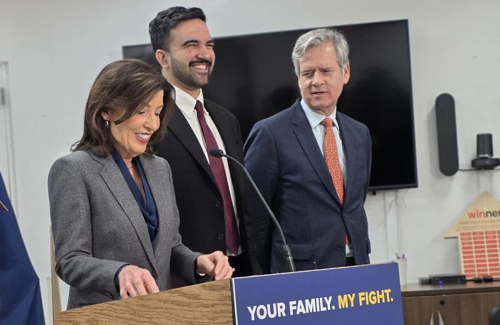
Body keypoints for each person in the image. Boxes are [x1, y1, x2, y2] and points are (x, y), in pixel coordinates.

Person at [48, 59, 232, 309]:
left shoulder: (159, 168)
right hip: (105, 315)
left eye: (157, 112)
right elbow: (69, 260)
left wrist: (198, 262)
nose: (152, 124)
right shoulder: (73, 170)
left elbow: (170, 246)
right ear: (106, 110)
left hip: (158, 313)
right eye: (141, 111)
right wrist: (119, 273)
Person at [244, 28, 372, 274]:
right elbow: (255, 220)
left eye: (326, 71)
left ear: (345, 73)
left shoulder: (359, 133)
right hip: (299, 275)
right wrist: (260, 280)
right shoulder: (270, 134)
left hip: (356, 268)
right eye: (308, 73)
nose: (316, 81)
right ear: (298, 77)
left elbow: (353, 204)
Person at [148, 7, 258, 277]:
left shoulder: (226, 119)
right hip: (186, 277)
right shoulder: (151, 121)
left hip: (240, 268)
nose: (204, 54)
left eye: (208, 45)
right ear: (162, 57)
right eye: (191, 45)